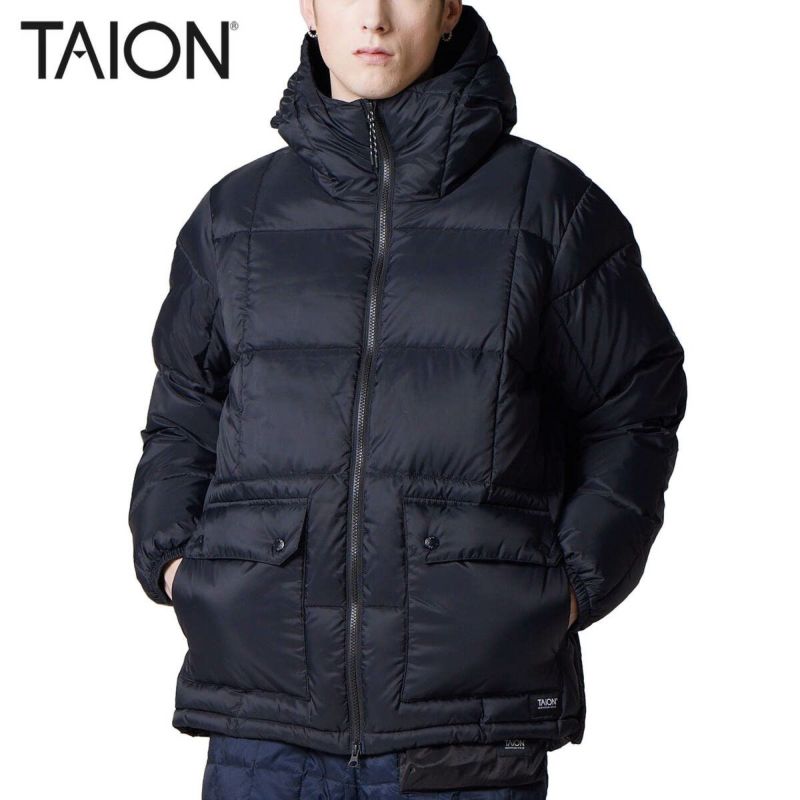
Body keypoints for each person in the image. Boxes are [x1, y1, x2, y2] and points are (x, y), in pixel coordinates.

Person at [128, 1, 688, 797]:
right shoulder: (236, 217)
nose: (376, 18)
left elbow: (634, 408)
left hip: (466, 722)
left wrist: (566, 589)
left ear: (450, 7)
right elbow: (184, 412)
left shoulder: (550, 208)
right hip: (264, 716)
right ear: (309, 8)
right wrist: (177, 563)